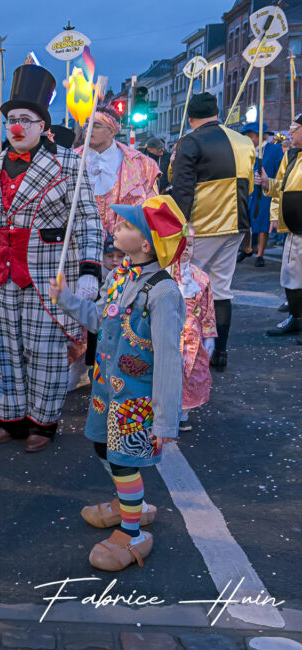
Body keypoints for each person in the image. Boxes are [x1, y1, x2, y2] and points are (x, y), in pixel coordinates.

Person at [50, 195, 186, 571]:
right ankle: (133, 504)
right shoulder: (119, 275)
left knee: (125, 463)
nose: (117, 229)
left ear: (147, 244)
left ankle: (134, 532)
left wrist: (165, 421)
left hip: (136, 401)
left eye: (126, 227)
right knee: (101, 448)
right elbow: (97, 319)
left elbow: (169, 360)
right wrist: (66, 300)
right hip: (106, 392)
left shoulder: (163, 293)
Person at [0, 65, 104, 452]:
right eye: (11, 119)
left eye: (25, 120)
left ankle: (42, 424)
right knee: (8, 348)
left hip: (47, 273)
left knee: (45, 352)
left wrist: (89, 270)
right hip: (3, 273)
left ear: (41, 124)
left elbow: (87, 220)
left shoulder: (68, 163)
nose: (16, 127)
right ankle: (12, 420)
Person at [169, 92, 254, 371]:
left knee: (186, 288)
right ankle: (220, 353)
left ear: (191, 118)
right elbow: (249, 186)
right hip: (237, 225)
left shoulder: (190, 141)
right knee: (221, 289)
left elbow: (182, 190)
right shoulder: (243, 141)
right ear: (217, 113)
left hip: (201, 226)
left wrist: (179, 228)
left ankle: (187, 353)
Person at [76, 107, 159, 236]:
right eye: (87, 125)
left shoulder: (141, 164)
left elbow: (152, 208)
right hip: (79, 241)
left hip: (124, 244)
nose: (89, 129)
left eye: (96, 125)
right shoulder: (70, 160)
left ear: (112, 131)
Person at [175, 227, 216, 432]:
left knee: (190, 373)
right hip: (169, 332)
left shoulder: (200, 278)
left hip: (193, 336)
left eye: (189, 245)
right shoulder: (162, 275)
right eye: (182, 244)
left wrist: (209, 335)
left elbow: (208, 309)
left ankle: (183, 413)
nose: (185, 249)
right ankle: (164, 412)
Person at [265, 112, 302, 341]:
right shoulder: (291, 157)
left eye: (294, 128)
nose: (289, 132)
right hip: (294, 230)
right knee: (291, 278)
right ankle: (296, 318)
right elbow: (281, 188)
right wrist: (266, 183)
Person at [238, 123, 283, 267]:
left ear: (259, 135)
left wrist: (269, 181)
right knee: (245, 222)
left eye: (251, 135)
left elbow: (280, 171)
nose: (249, 138)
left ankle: (260, 254)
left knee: (263, 222)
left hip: (266, 192)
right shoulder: (247, 150)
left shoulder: (274, 149)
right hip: (249, 191)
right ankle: (247, 248)